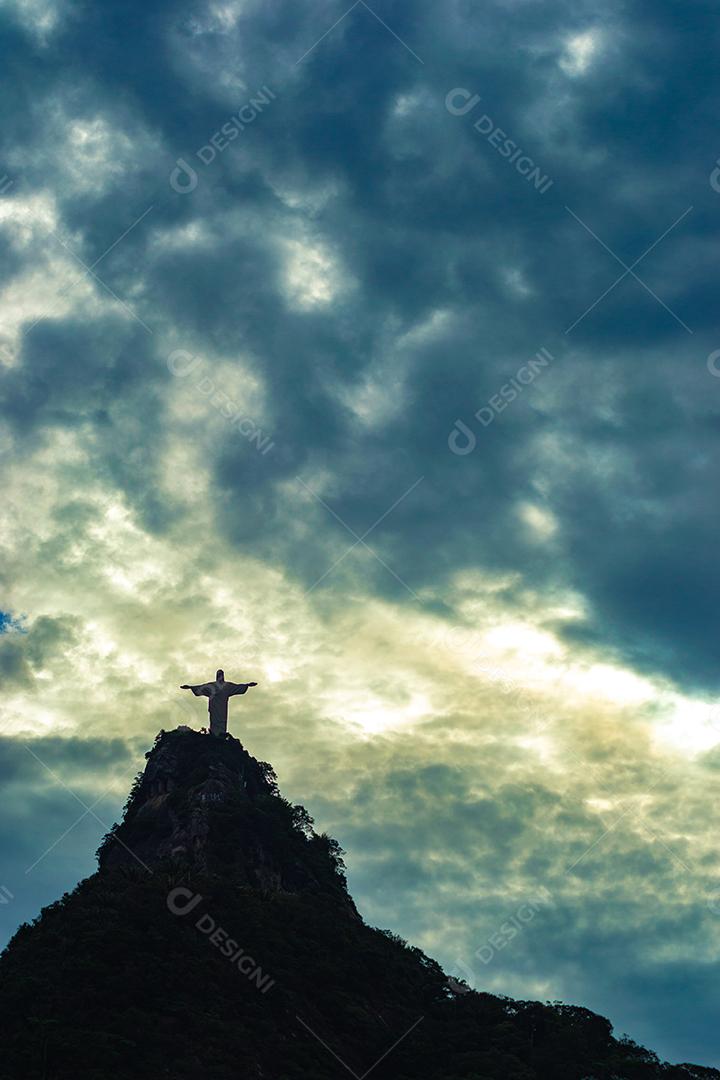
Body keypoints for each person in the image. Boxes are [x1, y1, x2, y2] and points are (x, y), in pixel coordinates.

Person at [180, 669, 257, 736]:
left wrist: (247, 685)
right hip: (214, 707)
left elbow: (238, 687)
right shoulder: (211, 686)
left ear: (223, 676)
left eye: (221, 674)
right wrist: (190, 687)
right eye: (219, 674)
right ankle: (214, 735)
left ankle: (221, 735)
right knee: (214, 721)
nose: (220, 676)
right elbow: (201, 687)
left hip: (222, 708)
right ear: (217, 676)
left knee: (222, 721)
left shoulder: (228, 686)